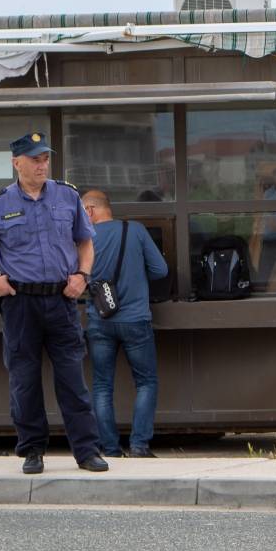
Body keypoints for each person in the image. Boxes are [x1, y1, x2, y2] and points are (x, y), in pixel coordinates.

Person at [0, 131, 107, 476]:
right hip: (20, 303)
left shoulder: (67, 196)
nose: (42, 165)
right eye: (35, 159)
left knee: (72, 378)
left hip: (61, 299)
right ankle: (32, 450)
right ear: (16, 163)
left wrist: (82, 276)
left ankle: (86, 451)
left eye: (45, 159)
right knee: (24, 380)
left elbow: (85, 242)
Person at [81, 189, 170, 458]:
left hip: (99, 320)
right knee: (145, 382)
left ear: (90, 211)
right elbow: (160, 270)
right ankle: (140, 445)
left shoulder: (84, 239)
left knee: (101, 385)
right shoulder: (136, 230)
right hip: (135, 320)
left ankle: (109, 447)